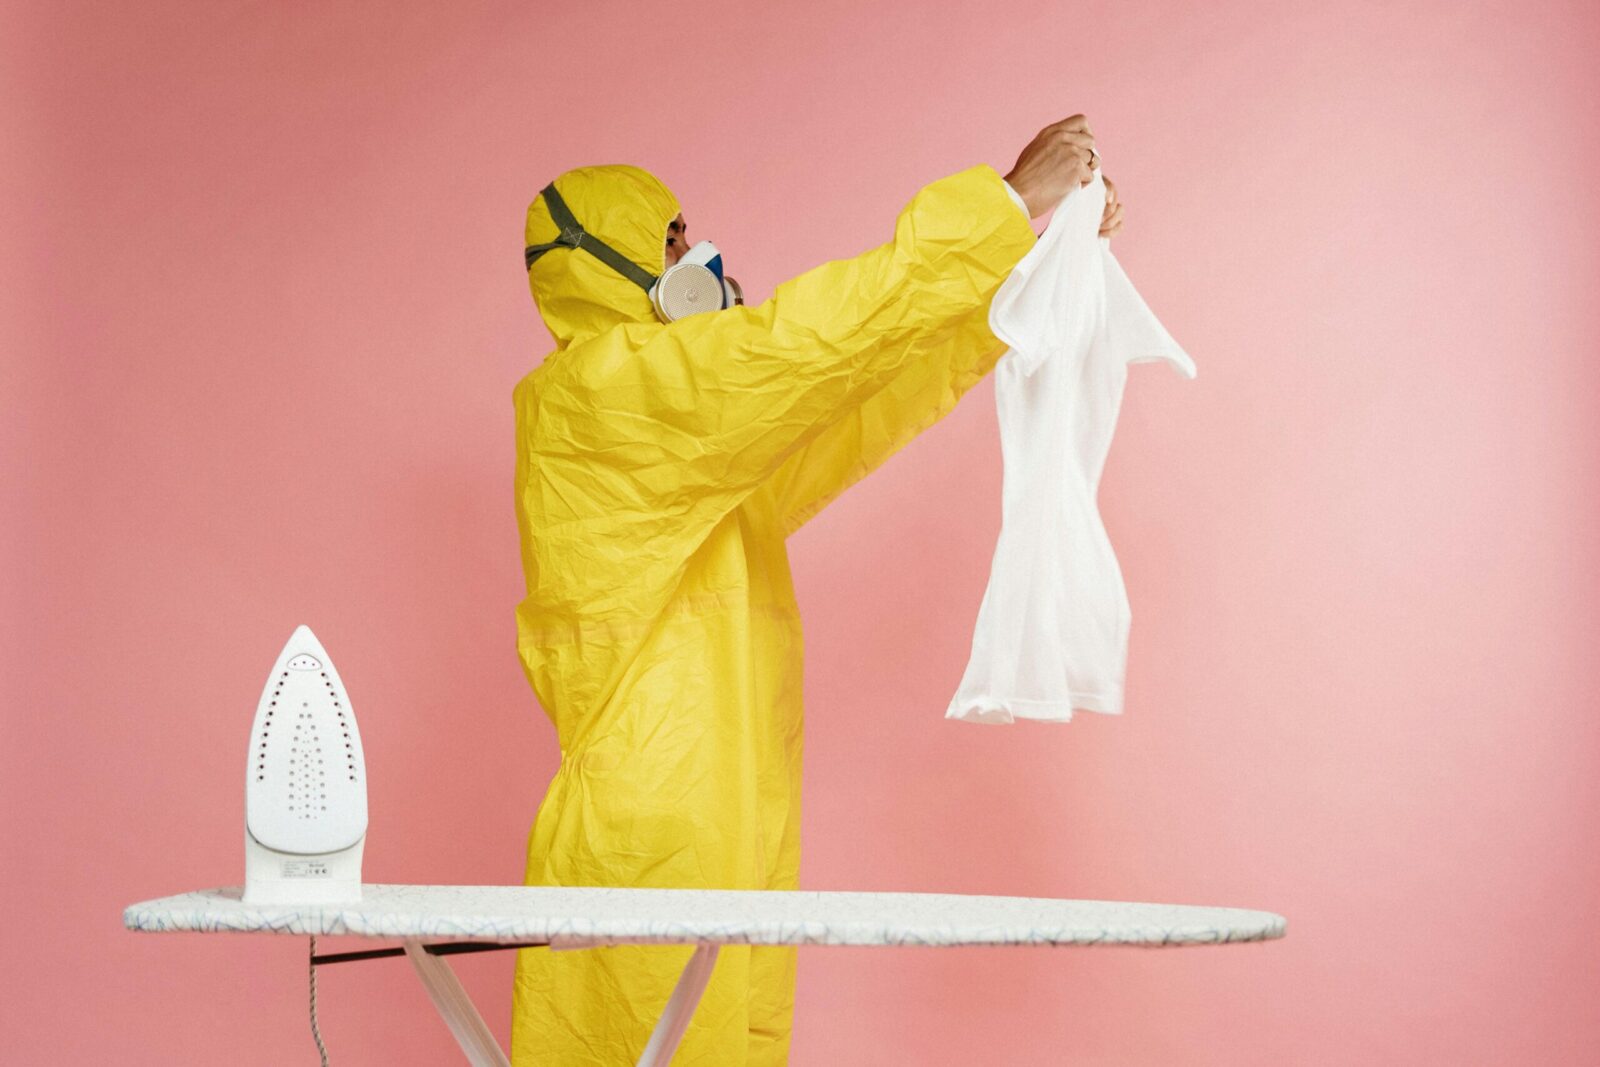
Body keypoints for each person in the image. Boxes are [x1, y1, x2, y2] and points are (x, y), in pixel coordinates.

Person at [511, 115, 1119, 1065]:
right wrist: (1001, 205)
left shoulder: (690, 441)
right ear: (601, 261)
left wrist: (1018, 277)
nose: (697, 255)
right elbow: (801, 342)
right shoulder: (599, 397)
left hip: (729, 814)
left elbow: (852, 401)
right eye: (670, 238)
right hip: (651, 832)